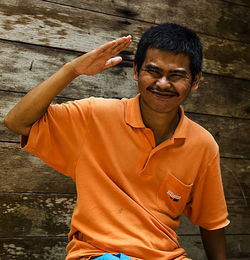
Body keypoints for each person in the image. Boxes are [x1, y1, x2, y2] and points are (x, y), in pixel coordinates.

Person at [4, 23, 230, 260]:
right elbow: (17, 122)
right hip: (98, 253)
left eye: (176, 75)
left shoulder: (202, 144)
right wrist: (72, 70)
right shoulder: (94, 116)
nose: (163, 83)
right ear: (136, 72)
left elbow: (212, 221)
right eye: (153, 71)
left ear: (195, 81)